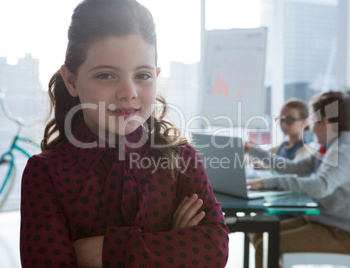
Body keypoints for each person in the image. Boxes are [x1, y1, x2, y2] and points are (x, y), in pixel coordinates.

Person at [19, 1, 229, 267]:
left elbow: (214, 248)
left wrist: (102, 252)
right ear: (72, 81)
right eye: (106, 75)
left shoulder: (181, 158)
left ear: (157, 76)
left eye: (142, 75)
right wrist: (170, 242)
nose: (128, 92)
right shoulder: (45, 173)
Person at [247, 91, 350, 268]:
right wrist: (254, 150)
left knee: (266, 245)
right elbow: (292, 167)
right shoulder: (329, 148)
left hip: (341, 234)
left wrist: (267, 182)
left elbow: (320, 187)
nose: (311, 128)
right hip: (324, 223)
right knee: (261, 235)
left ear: (325, 123)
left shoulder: (342, 153)